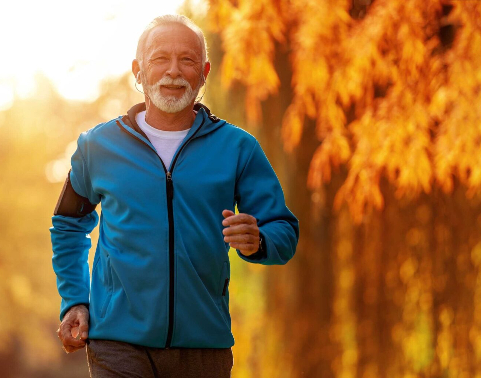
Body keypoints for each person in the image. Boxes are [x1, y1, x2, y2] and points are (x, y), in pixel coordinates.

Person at [50, 14, 299, 378]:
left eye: (187, 60)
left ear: (204, 73)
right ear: (138, 71)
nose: (173, 71)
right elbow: (68, 224)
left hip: (203, 348)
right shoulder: (97, 147)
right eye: (159, 59)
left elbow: (284, 230)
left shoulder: (237, 148)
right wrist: (75, 299)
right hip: (118, 343)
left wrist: (258, 240)